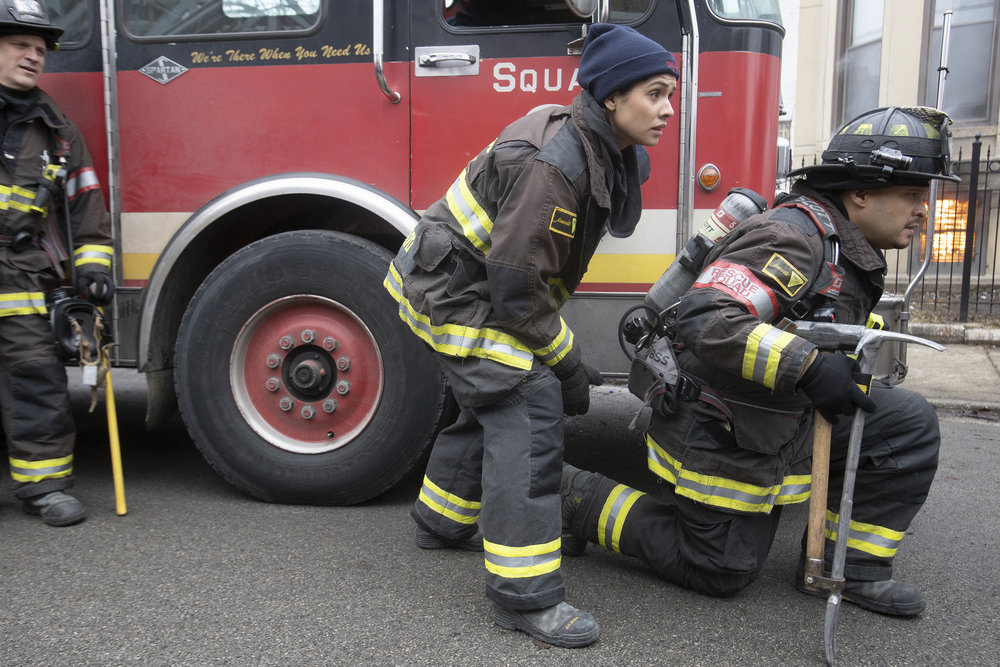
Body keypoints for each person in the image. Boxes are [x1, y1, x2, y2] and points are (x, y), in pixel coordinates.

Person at [561, 106, 959, 617]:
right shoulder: (796, 239)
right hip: (719, 429)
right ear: (860, 192)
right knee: (720, 567)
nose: (922, 210)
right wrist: (810, 368)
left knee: (905, 423)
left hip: (775, 414)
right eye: (911, 194)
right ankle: (571, 497)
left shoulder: (842, 246)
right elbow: (707, 317)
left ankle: (845, 569)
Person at [383, 23, 679, 647]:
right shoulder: (557, 165)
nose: (668, 109)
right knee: (528, 398)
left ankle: (439, 521)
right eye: (654, 94)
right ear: (610, 98)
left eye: (670, 94)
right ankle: (525, 596)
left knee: (492, 390)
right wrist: (569, 363)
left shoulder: (592, 143)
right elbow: (519, 292)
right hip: (451, 294)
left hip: (467, 286)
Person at [0, 0, 113, 527]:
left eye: (40, 49)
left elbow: (86, 207)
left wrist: (94, 269)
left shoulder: (58, 134)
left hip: (20, 280)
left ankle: (43, 487)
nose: (33, 56)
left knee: (36, 377)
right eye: (20, 45)